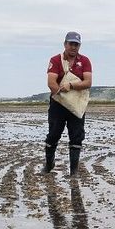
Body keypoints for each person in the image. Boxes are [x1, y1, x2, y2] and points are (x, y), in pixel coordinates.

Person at [43, 31, 93, 176]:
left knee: (77, 136)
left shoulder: (85, 61)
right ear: (65, 44)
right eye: (71, 44)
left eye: (76, 44)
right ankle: (48, 164)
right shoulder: (56, 60)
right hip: (58, 105)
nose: (73, 47)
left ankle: (74, 171)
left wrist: (71, 86)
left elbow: (88, 82)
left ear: (79, 46)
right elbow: (51, 82)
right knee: (53, 135)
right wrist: (62, 97)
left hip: (76, 105)